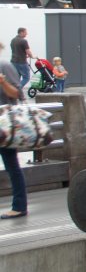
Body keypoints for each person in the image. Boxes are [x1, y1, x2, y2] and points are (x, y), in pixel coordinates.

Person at [0, 43, 27, 219]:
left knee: (11, 165)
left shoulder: (5, 66)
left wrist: (2, 82)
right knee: (11, 164)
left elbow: (17, 94)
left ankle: (19, 206)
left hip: (4, 124)